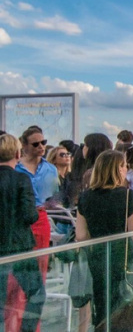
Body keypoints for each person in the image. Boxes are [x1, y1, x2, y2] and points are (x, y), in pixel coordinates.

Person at [75, 150, 133, 332]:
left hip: (97, 258)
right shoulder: (128, 196)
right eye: (124, 165)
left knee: (102, 306)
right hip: (124, 259)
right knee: (124, 309)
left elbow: (80, 236)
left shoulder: (85, 197)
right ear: (117, 169)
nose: (126, 169)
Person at [0, 133, 45, 332]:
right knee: (36, 293)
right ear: (18, 153)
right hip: (20, 247)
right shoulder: (21, 179)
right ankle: (26, 329)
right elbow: (29, 215)